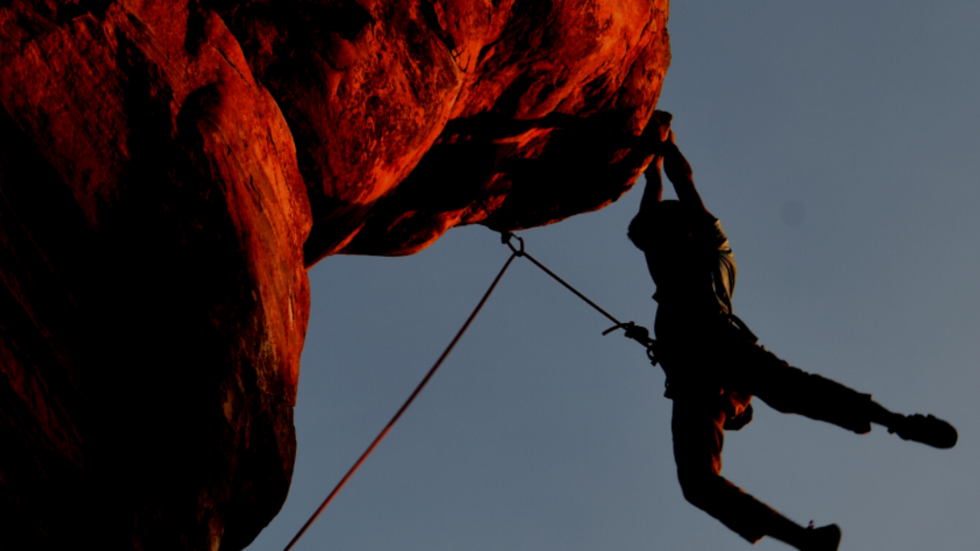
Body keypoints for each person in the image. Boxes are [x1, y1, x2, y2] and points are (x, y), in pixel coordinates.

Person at [626, 111, 958, 551]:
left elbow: (675, 186)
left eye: (656, 237)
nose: (652, 245)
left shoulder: (701, 251)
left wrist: (663, 146)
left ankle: (895, 426)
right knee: (773, 407)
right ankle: (807, 536)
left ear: (677, 231)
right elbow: (664, 188)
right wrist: (660, 148)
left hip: (711, 355)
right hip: (702, 371)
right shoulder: (680, 251)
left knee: (780, 400)